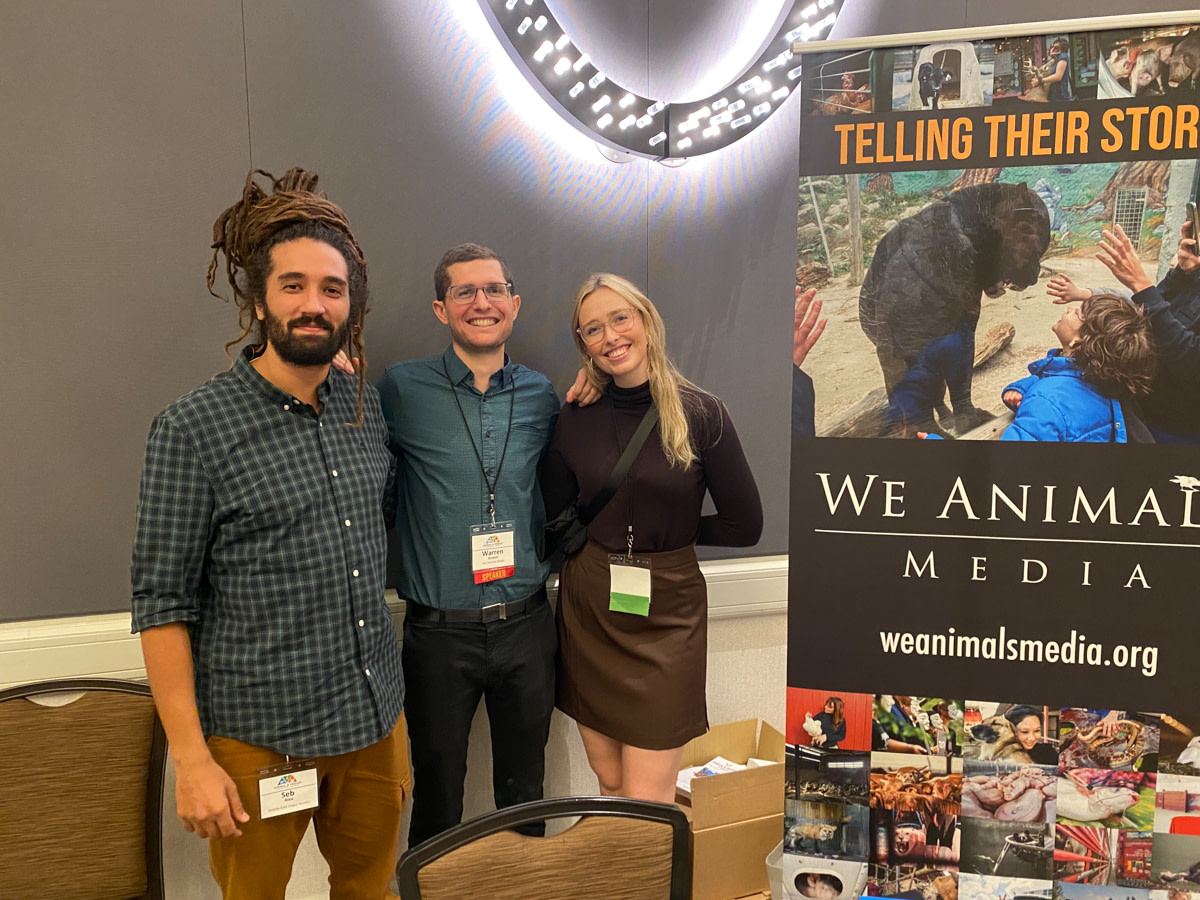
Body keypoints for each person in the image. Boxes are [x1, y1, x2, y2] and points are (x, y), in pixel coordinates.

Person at [130, 168, 408, 900]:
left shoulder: (363, 407)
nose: (314, 305)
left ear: (352, 306)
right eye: (294, 286)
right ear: (259, 299)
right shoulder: (192, 428)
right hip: (260, 741)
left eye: (332, 288)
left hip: (373, 721)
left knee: (371, 892)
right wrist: (190, 760)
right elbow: (162, 604)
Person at [541, 273, 763, 802]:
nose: (610, 336)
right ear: (583, 343)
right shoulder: (574, 416)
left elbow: (744, 525)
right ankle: (620, 879)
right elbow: (553, 509)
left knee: (647, 797)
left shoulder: (702, 411)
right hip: (592, 603)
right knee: (610, 780)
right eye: (592, 329)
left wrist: (671, 533)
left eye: (620, 318)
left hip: (668, 610)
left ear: (646, 321)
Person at [374, 243, 568, 847]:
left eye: (493, 290)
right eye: (464, 292)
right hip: (438, 635)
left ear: (514, 304)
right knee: (436, 795)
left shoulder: (543, 394)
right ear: (441, 309)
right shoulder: (400, 388)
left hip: (528, 625)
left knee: (525, 791)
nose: (481, 303)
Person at [999, 293, 1156, 442]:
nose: (1070, 308)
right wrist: (1024, 386)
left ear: (1078, 343)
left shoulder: (1046, 403)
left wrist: (1038, 398)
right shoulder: (1108, 380)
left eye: (1078, 314)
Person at [1097, 221, 1200, 442]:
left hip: (1179, 427)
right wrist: (1182, 272)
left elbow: (1191, 359)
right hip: (1145, 403)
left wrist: (1141, 285)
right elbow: (1156, 306)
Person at [1033, 37, 1074, 101]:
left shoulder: (1063, 57)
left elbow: (1058, 76)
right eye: (1052, 47)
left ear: (1062, 49)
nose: (1053, 49)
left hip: (1060, 95)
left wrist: (1040, 80)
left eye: (1056, 48)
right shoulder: (1056, 59)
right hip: (1054, 94)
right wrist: (1050, 55)